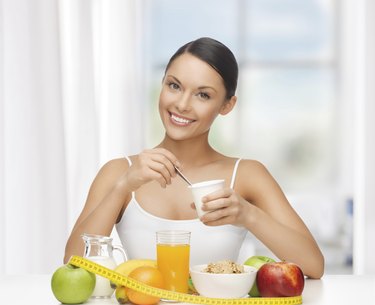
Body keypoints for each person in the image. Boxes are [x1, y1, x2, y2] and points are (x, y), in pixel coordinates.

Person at [64, 37, 324, 279]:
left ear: (226, 106)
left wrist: (248, 215)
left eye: (203, 95)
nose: (182, 104)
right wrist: (123, 186)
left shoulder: (247, 175)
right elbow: (71, 266)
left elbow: (313, 266)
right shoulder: (120, 171)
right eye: (174, 85)